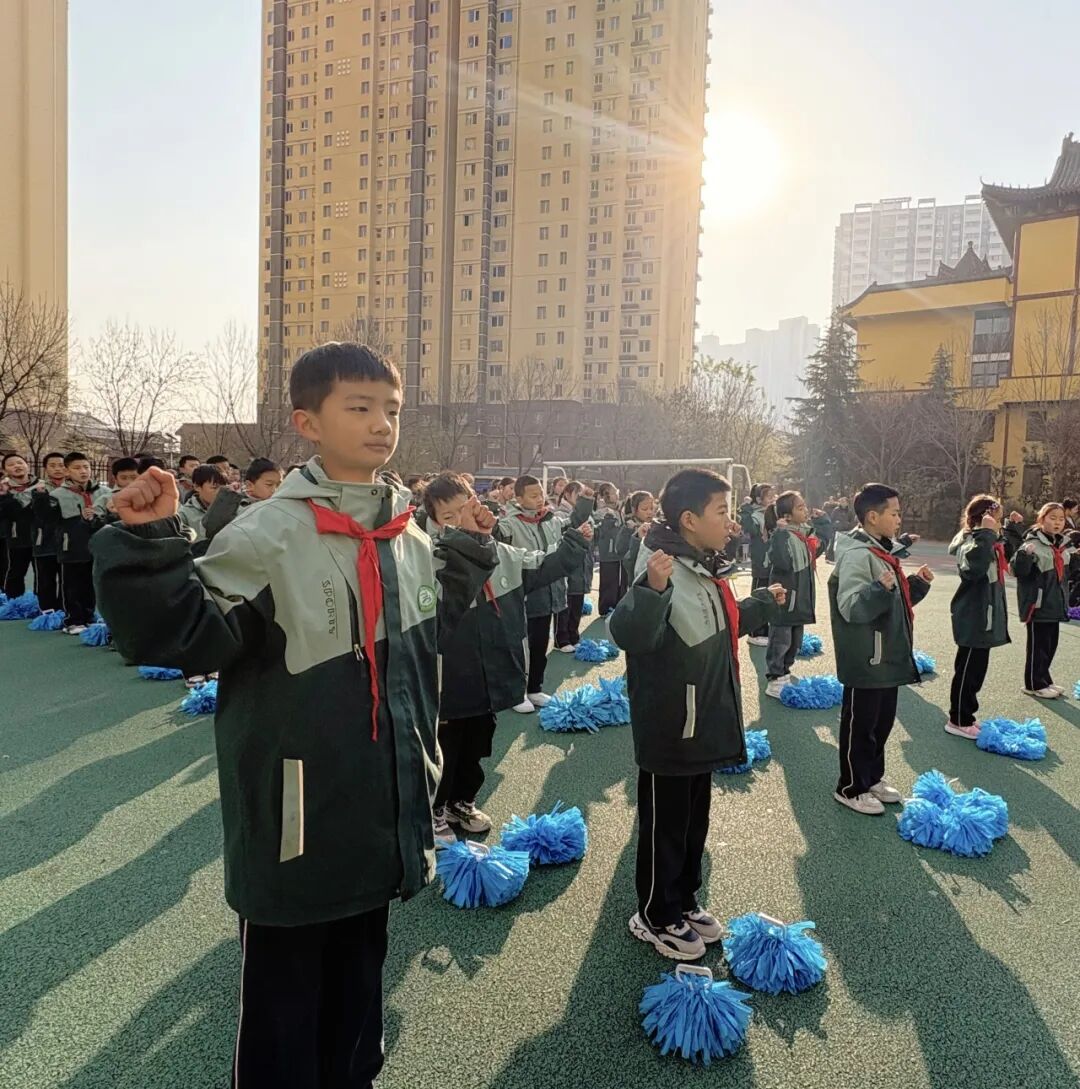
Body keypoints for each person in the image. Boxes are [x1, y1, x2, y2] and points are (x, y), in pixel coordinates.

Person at [92, 342, 498, 1089]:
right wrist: (149, 544)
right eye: (359, 407)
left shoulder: (406, 534)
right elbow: (182, 635)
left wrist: (468, 552)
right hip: (296, 828)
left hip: (378, 815)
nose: (381, 424)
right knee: (284, 1019)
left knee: (358, 1004)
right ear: (307, 422)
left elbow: (426, 633)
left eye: (392, 409)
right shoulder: (267, 533)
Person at [610, 468, 784, 961]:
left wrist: (759, 606)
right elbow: (630, 635)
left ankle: (683, 900)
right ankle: (654, 914)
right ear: (689, 519)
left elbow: (714, 628)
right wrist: (652, 589)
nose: (731, 522)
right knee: (665, 827)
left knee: (692, 823)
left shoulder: (704, 565)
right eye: (721, 512)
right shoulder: (662, 565)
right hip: (672, 725)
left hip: (703, 718)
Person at [424, 472, 592, 840]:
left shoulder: (501, 553)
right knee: (446, 746)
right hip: (449, 676)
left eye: (466, 508)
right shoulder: (431, 558)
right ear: (434, 522)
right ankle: (434, 810)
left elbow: (544, 565)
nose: (462, 520)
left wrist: (575, 541)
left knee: (479, 741)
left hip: (491, 670)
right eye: (449, 517)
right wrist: (469, 541)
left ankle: (462, 802)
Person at [829, 483, 934, 816]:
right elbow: (850, 607)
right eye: (895, 513)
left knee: (881, 723)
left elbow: (894, 603)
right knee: (861, 725)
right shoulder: (858, 555)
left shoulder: (882, 551)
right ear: (872, 517)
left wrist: (917, 585)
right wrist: (878, 589)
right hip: (867, 658)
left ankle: (871, 777)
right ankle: (850, 787)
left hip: (887, 654)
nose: (899, 520)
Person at [945, 496, 1025, 737]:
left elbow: (1009, 551)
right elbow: (974, 569)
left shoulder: (988, 541)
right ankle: (958, 719)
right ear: (983, 519)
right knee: (968, 670)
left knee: (976, 670)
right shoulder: (971, 542)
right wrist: (986, 534)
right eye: (997, 519)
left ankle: (967, 714)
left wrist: (1012, 527)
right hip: (974, 616)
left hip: (985, 616)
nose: (998, 524)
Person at [497, 475, 572, 710]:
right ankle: (516, 693)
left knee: (540, 643)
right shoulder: (510, 523)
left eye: (541, 494)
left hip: (547, 591)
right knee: (519, 645)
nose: (540, 499)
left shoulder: (550, 519)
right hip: (523, 593)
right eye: (533, 495)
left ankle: (535, 688)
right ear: (518, 498)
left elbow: (566, 533)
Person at [33, 452, 112, 634]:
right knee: (73, 585)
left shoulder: (104, 492)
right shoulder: (57, 494)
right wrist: (40, 498)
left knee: (92, 584)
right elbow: (47, 519)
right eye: (77, 468)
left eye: (86, 467)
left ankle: (89, 616)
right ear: (67, 471)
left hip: (98, 544)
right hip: (71, 546)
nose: (83, 471)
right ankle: (74, 620)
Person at [1011, 502, 1080, 699]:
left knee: (1050, 645)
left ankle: (1044, 679)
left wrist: (1076, 559)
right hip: (1038, 605)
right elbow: (1018, 571)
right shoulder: (1032, 544)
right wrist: (1024, 556)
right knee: (1038, 647)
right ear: (1042, 520)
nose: (1057, 522)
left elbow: (1069, 573)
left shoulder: (1062, 545)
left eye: (1061, 519)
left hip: (1055, 603)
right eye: (1052, 518)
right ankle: (1033, 684)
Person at [763, 491, 824, 699]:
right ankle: (775, 677)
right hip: (786, 601)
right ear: (787, 516)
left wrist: (822, 521)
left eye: (804, 506)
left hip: (801, 602)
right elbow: (781, 561)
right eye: (800, 507)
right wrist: (779, 534)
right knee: (781, 641)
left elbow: (821, 547)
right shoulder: (784, 537)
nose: (805, 510)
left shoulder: (804, 536)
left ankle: (785, 672)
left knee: (795, 641)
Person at [554, 480, 596, 651]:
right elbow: (575, 522)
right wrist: (586, 503)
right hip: (569, 565)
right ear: (567, 495)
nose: (581, 499)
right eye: (578, 496)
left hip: (582, 564)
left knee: (577, 602)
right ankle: (561, 639)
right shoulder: (560, 514)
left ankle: (574, 635)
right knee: (565, 603)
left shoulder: (587, 516)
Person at [202, 458, 284, 543]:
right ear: (249, 485)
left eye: (279, 485)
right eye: (269, 484)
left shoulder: (281, 508)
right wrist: (227, 497)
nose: (275, 490)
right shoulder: (234, 505)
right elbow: (210, 529)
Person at [29, 451, 68, 613]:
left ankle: (66, 610)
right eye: (52, 465)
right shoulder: (38, 490)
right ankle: (47, 611)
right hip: (44, 540)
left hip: (68, 542)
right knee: (46, 579)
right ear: (45, 469)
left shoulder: (74, 489)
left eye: (61, 465)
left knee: (68, 579)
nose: (57, 469)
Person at [739, 482, 775, 645]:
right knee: (760, 593)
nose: (772, 499)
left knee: (769, 592)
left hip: (771, 561)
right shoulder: (754, 514)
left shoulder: (771, 513)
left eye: (773, 496)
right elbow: (750, 529)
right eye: (769, 496)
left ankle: (766, 629)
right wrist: (745, 510)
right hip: (761, 561)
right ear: (759, 499)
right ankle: (756, 632)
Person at [0, 453, 38, 598]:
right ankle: (13, 602)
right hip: (16, 537)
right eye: (11, 465)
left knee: (43, 574)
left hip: (41, 538)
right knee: (15, 573)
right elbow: (7, 513)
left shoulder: (41, 486)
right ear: (5, 470)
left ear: (27, 465)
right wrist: (5, 496)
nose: (17, 466)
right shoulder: (3, 489)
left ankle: (41, 603)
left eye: (20, 462)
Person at [594, 482, 626, 614]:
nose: (617, 494)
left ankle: (617, 605)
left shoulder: (620, 510)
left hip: (618, 552)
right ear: (606, 495)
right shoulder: (602, 512)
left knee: (618, 581)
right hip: (608, 552)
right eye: (614, 492)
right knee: (608, 582)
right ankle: (606, 608)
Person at [177, 464, 227, 545]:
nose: (219, 492)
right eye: (214, 488)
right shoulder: (184, 515)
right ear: (197, 487)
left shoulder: (230, 509)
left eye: (223, 488)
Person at [617, 490, 657, 590]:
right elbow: (621, 550)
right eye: (644, 509)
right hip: (631, 576)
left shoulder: (655, 526)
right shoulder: (629, 527)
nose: (649, 512)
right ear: (634, 510)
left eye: (652, 508)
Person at [827, 495, 856, 562]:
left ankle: (842, 558)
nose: (842, 503)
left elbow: (852, 521)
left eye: (843, 501)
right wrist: (835, 524)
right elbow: (832, 519)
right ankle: (830, 558)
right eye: (841, 501)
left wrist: (848, 525)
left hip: (846, 531)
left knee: (843, 545)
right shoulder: (836, 510)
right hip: (837, 530)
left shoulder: (849, 511)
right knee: (833, 544)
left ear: (847, 503)